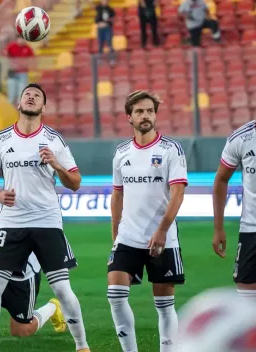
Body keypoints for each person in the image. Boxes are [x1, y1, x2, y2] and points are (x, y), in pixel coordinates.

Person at [0, 83, 89, 352]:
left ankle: (82, 346)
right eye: (27, 94)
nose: (31, 96)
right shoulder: (1, 140)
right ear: (19, 104)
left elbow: (75, 182)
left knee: (62, 288)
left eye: (37, 95)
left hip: (47, 222)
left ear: (43, 107)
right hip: (12, 223)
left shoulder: (54, 140)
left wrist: (56, 165)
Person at [108, 90, 188, 352]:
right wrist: (115, 235)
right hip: (128, 237)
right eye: (140, 111)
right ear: (129, 116)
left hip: (163, 238)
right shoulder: (121, 152)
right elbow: (117, 195)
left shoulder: (170, 149)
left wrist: (163, 230)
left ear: (155, 115)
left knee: (164, 306)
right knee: (115, 297)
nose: (145, 115)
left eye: (150, 111)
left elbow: (178, 193)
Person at [213, 120, 256, 302]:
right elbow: (221, 179)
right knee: (246, 300)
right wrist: (218, 229)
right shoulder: (242, 138)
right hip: (251, 229)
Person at [94, 0, 116, 65]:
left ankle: (112, 59)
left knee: (109, 43)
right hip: (100, 29)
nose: (104, 1)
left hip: (107, 29)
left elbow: (113, 19)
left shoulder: (110, 9)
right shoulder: (99, 8)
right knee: (100, 44)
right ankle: (99, 59)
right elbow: (93, 6)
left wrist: (108, 23)